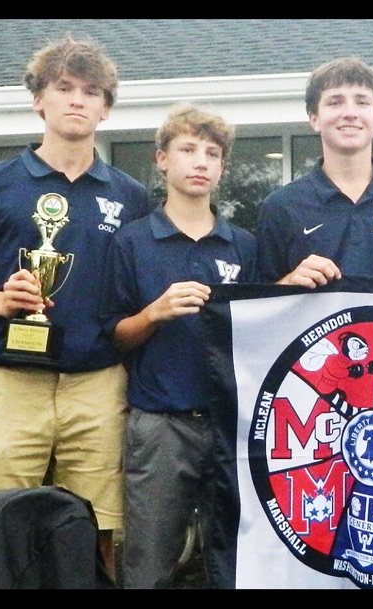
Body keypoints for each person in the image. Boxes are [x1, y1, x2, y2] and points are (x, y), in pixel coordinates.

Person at [0, 34, 149, 578]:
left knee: (98, 526)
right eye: (64, 88)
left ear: (105, 107)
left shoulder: (130, 197)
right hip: (10, 381)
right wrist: (1, 300)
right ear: (39, 99)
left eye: (91, 91)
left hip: (98, 383)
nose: (77, 100)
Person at [100, 103, 258, 588]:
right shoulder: (132, 243)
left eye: (212, 153)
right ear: (162, 160)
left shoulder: (243, 246)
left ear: (223, 168)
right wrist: (153, 313)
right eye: (187, 149)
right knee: (150, 561)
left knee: (235, 561)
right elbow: (114, 334)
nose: (200, 162)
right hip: (160, 424)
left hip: (230, 426)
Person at [256, 56, 373, 290]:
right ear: (314, 119)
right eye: (335, 102)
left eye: (362, 102)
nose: (350, 113)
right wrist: (288, 283)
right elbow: (256, 304)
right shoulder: (281, 206)